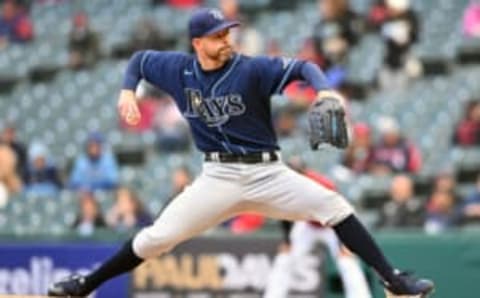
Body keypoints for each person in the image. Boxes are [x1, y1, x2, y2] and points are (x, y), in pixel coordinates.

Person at [48, 8, 434, 297]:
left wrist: (325, 90)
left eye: (228, 33)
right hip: (217, 178)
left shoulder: (250, 69)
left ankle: (393, 281)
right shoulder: (178, 69)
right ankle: (87, 284)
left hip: (268, 173)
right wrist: (127, 89)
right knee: (155, 239)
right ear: (198, 43)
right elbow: (139, 61)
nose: (226, 40)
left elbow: (304, 66)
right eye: (217, 36)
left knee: (334, 206)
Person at [264, 156, 372, 298]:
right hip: (308, 224)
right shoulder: (284, 186)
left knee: (347, 260)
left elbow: (340, 212)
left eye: (297, 172)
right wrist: (287, 240)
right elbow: (283, 213)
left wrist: (344, 243)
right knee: (285, 258)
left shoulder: (322, 184)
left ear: (304, 172)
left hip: (333, 224)